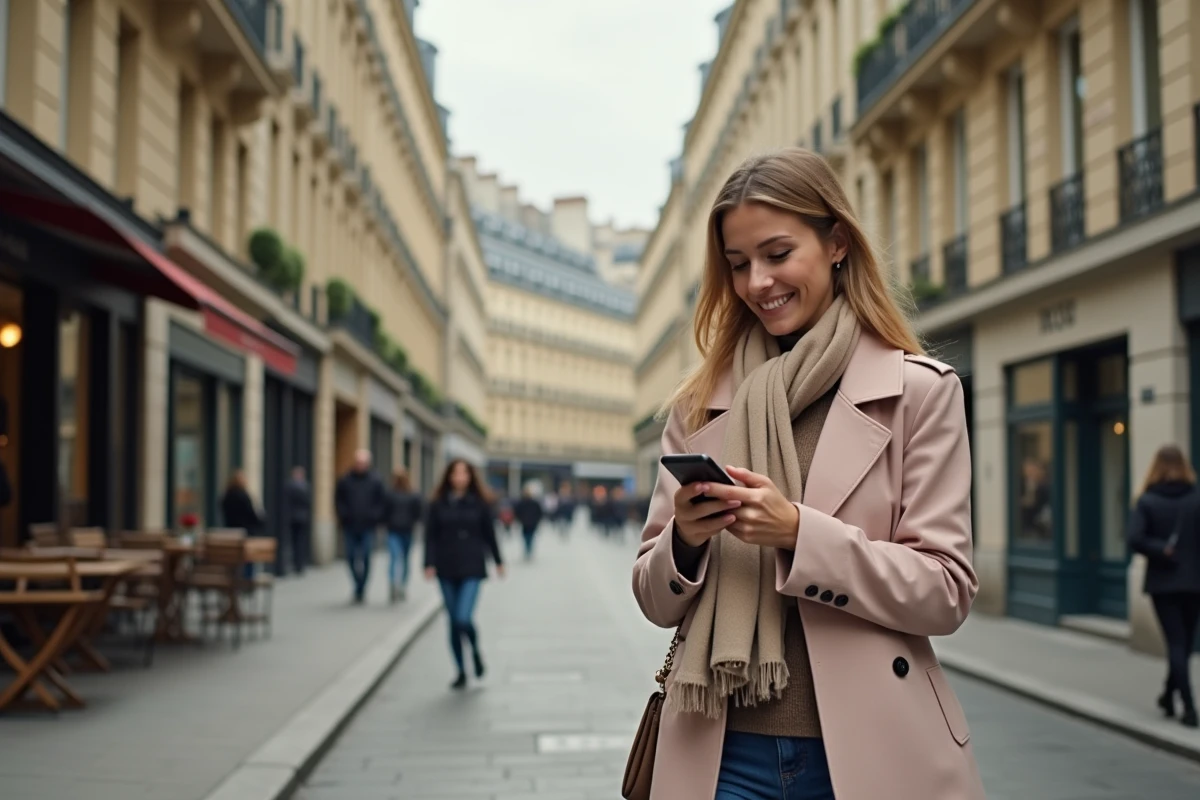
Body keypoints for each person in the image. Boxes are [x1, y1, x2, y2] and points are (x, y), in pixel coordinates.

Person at [632, 148, 983, 800]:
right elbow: (654, 600)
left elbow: (945, 591)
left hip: (869, 750)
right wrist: (684, 539)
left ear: (837, 242)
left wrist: (800, 533)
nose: (757, 281)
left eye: (777, 253)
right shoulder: (699, 405)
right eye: (738, 265)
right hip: (720, 752)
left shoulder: (919, 394)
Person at [1128, 444, 1200, 728]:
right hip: (1195, 583)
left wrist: (1159, 549)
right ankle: (1169, 697)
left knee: (1177, 643)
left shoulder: (1148, 500)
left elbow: (1134, 539)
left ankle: (1189, 707)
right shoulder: (1195, 499)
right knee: (1183, 643)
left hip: (1164, 583)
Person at [424, 459, 504, 690]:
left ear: (470, 477)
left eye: (464, 473)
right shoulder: (438, 503)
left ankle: (476, 652)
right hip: (446, 567)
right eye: (455, 473)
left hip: (472, 567)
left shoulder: (480, 503)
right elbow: (430, 536)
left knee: (463, 618)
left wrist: (498, 561)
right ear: (449, 476)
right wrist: (428, 563)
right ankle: (460, 669)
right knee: (452, 622)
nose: (459, 477)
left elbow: (490, 534)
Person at [335, 449, 385, 604]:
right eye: (358, 462)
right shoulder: (345, 480)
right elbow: (338, 499)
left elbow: (381, 502)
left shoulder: (375, 481)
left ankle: (361, 588)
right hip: (350, 525)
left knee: (365, 558)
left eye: (363, 463)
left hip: (368, 526)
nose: (361, 465)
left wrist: (374, 517)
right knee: (350, 557)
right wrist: (344, 515)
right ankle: (357, 585)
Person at [384, 468, 423, 602]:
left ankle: (401, 585)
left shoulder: (412, 495)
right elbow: (384, 511)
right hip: (394, 531)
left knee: (404, 559)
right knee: (396, 557)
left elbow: (418, 512)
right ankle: (394, 584)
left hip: (406, 531)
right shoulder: (390, 494)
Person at [284, 465, 312, 576]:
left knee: (296, 541)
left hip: (294, 518)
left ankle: (297, 563)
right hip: (301, 518)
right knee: (299, 541)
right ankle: (299, 564)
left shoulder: (290, 486)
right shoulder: (305, 487)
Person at [221, 470, 262, 534]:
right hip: (245, 530)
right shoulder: (243, 496)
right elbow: (251, 513)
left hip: (230, 530)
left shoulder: (227, 496)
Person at [514, 484, 544, 560]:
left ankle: (528, 551)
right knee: (527, 538)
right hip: (527, 524)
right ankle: (528, 550)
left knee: (529, 538)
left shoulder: (533, 503)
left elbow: (539, 513)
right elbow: (517, 512)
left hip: (530, 523)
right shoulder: (522, 503)